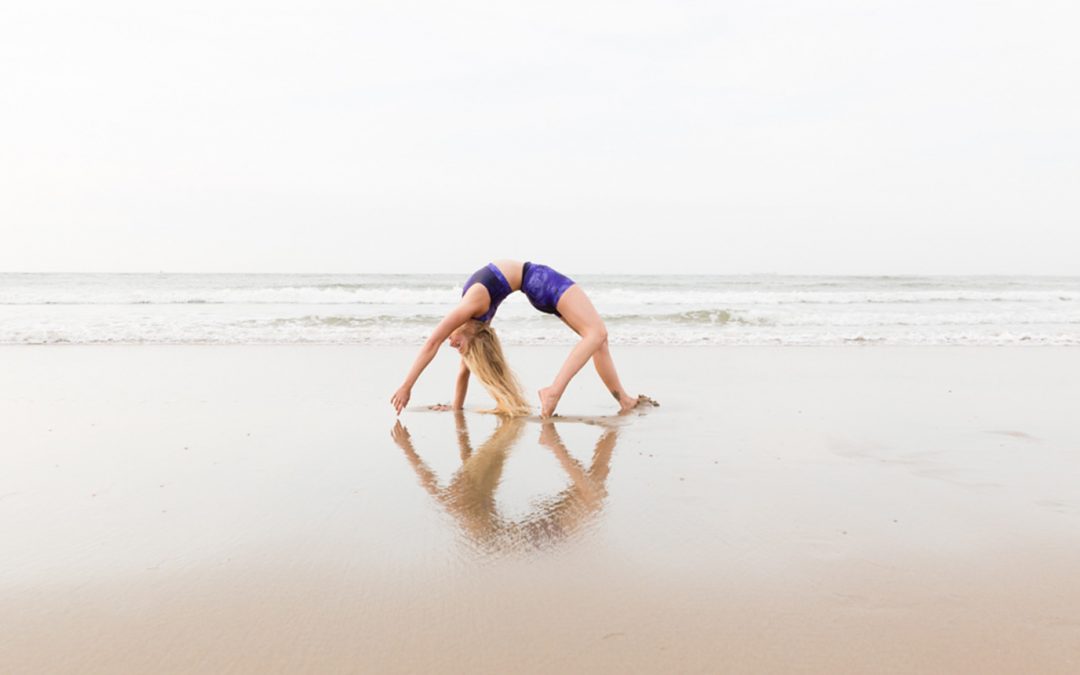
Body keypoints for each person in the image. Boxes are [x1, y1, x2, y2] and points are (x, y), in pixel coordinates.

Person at [389, 259, 650, 417]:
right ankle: (553, 391)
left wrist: (415, 390)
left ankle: (624, 400)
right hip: (539, 280)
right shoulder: (473, 311)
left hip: (536, 287)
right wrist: (411, 388)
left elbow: (440, 352)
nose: (451, 343)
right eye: (460, 347)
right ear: (475, 339)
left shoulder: (472, 314)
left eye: (456, 345)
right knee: (597, 333)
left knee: (597, 339)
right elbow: (441, 352)